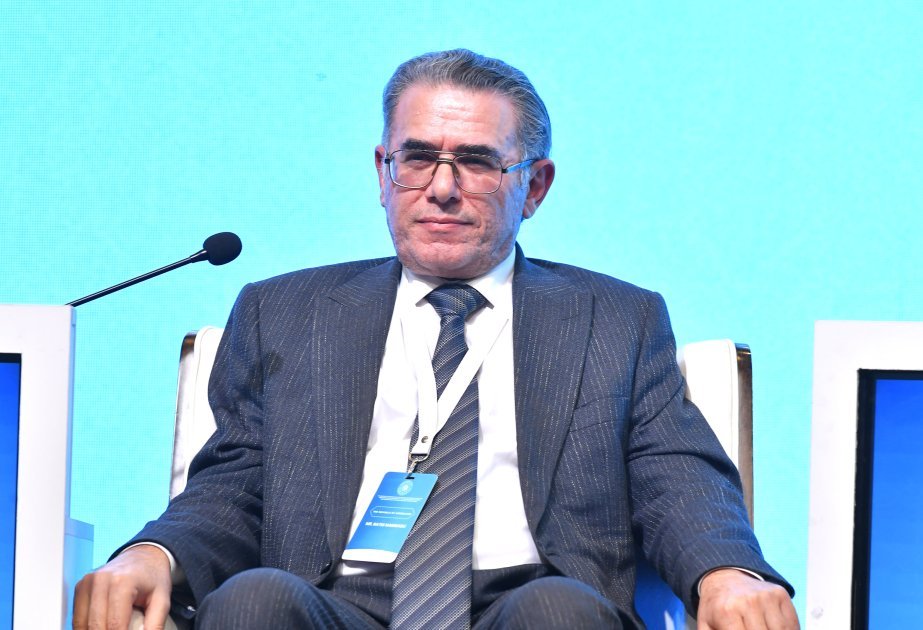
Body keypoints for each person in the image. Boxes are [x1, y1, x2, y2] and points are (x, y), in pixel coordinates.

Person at [74, 49, 799, 630]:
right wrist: (152, 553)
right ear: (382, 172)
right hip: (335, 603)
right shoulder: (286, 312)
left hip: (530, 603)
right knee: (253, 600)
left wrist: (727, 573)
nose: (442, 188)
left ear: (534, 186)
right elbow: (231, 485)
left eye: (477, 162)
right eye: (417, 158)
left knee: (559, 611)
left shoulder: (615, 319)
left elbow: (676, 474)